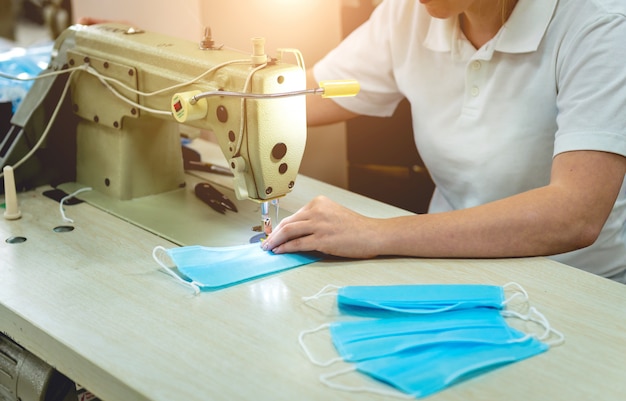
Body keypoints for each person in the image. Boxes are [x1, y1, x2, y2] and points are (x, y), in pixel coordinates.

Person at [261, 0, 626, 284]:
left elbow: (575, 214)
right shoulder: (409, 13)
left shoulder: (601, 25)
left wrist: (375, 233)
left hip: (577, 283)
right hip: (449, 268)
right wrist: (218, 95)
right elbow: (306, 96)